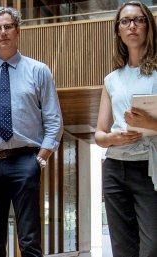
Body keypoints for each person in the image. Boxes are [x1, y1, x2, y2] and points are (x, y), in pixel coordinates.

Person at [0, 6, 63, 257]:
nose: (3, 32)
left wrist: (40, 158)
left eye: (8, 27)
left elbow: (54, 120)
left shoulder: (39, 71)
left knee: (29, 241)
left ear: (18, 31)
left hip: (24, 161)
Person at [95, 2, 157, 256]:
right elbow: (99, 134)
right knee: (122, 249)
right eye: (125, 21)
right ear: (118, 30)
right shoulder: (112, 79)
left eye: (139, 20)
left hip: (149, 168)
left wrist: (149, 124)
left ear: (148, 27)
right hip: (115, 168)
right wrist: (113, 138)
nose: (132, 26)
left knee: (152, 246)